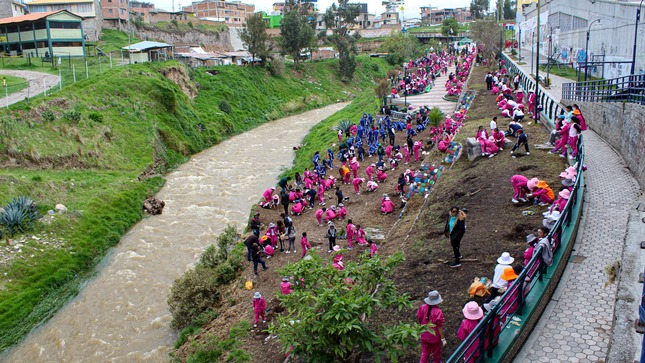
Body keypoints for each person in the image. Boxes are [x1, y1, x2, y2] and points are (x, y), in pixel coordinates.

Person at [417, 290, 446, 363]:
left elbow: (419, 318)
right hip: (435, 337)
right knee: (436, 353)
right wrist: (443, 339)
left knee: (425, 353)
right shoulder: (438, 312)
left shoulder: (422, 307)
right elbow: (439, 326)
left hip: (424, 334)